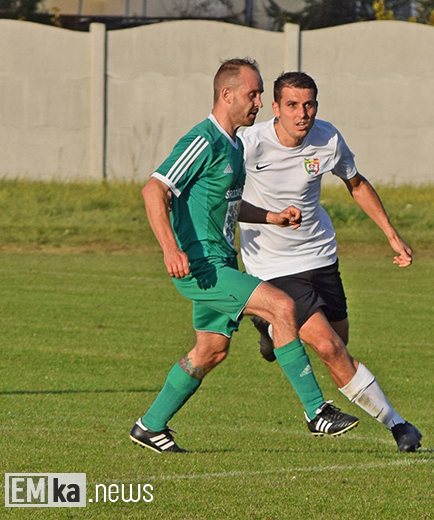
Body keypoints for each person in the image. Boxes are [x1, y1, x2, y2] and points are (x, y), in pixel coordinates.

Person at [130, 58, 358, 453]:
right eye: (252, 94)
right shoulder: (203, 140)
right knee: (282, 306)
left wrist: (271, 216)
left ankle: (150, 426)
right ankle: (316, 410)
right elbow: (154, 189)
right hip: (201, 266)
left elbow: (231, 206)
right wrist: (170, 248)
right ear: (227, 94)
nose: (257, 102)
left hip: (223, 262)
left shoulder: (234, 145)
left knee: (211, 351)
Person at [237, 71, 422, 452]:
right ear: (275, 108)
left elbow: (356, 183)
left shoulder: (328, 138)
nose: (302, 113)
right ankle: (399, 426)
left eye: (309, 104)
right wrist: (271, 218)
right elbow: (224, 201)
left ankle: (271, 330)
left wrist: (391, 233)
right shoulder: (248, 144)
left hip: (321, 256)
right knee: (328, 348)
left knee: (340, 344)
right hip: (271, 267)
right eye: (292, 105)